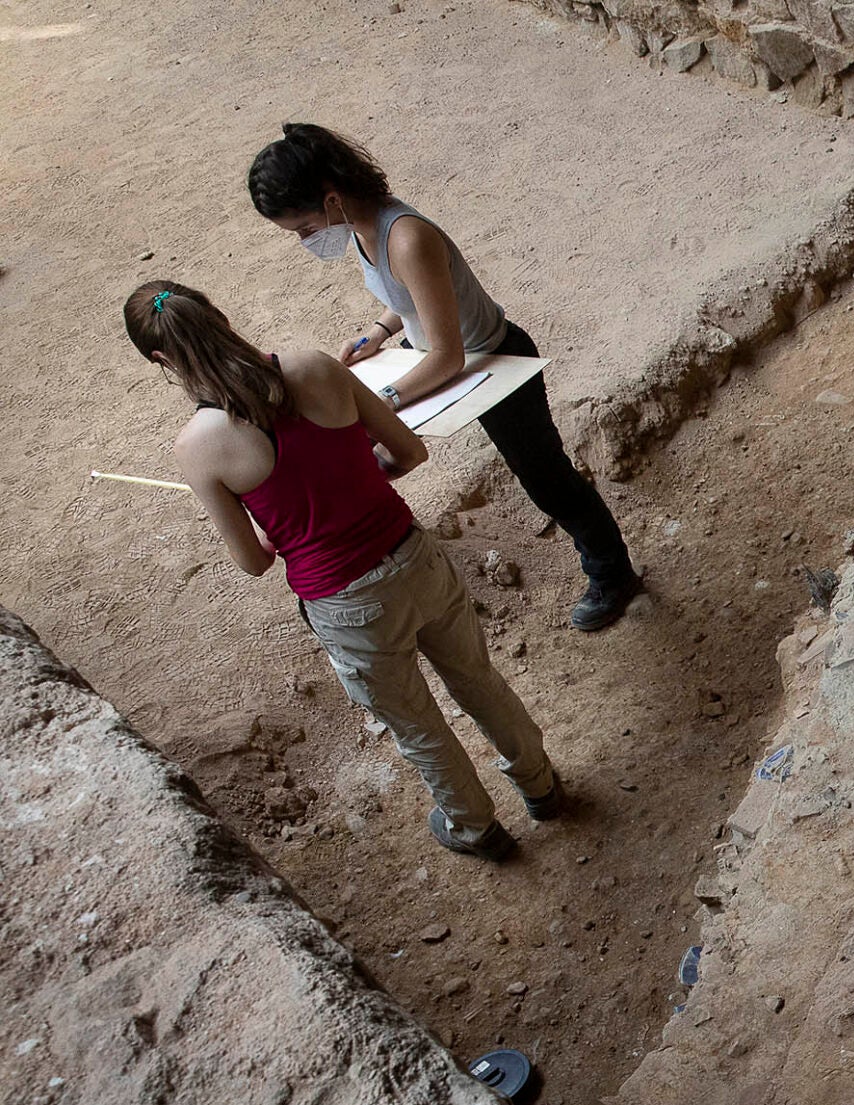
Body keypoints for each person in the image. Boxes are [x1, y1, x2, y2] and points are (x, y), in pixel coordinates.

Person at [125, 280, 561, 861]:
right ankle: (541, 785)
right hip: (412, 554)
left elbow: (254, 561)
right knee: (478, 680)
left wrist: (279, 524)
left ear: (161, 359)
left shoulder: (198, 446)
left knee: (416, 724)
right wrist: (351, 484)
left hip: (345, 601)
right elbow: (409, 453)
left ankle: (475, 827)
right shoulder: (315, 367)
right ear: (220, 313)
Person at [246, 122, 642, 632]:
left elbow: (449, 356)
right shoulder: (364, 226)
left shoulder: (406, 236)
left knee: (547, 479)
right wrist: (378, 330)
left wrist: (382, 399)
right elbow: (410, 300)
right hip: (436, 356)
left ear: (331, 201)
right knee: (369, 454)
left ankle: (612, 572)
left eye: (304, 228)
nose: (307, 240)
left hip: (492, 363)